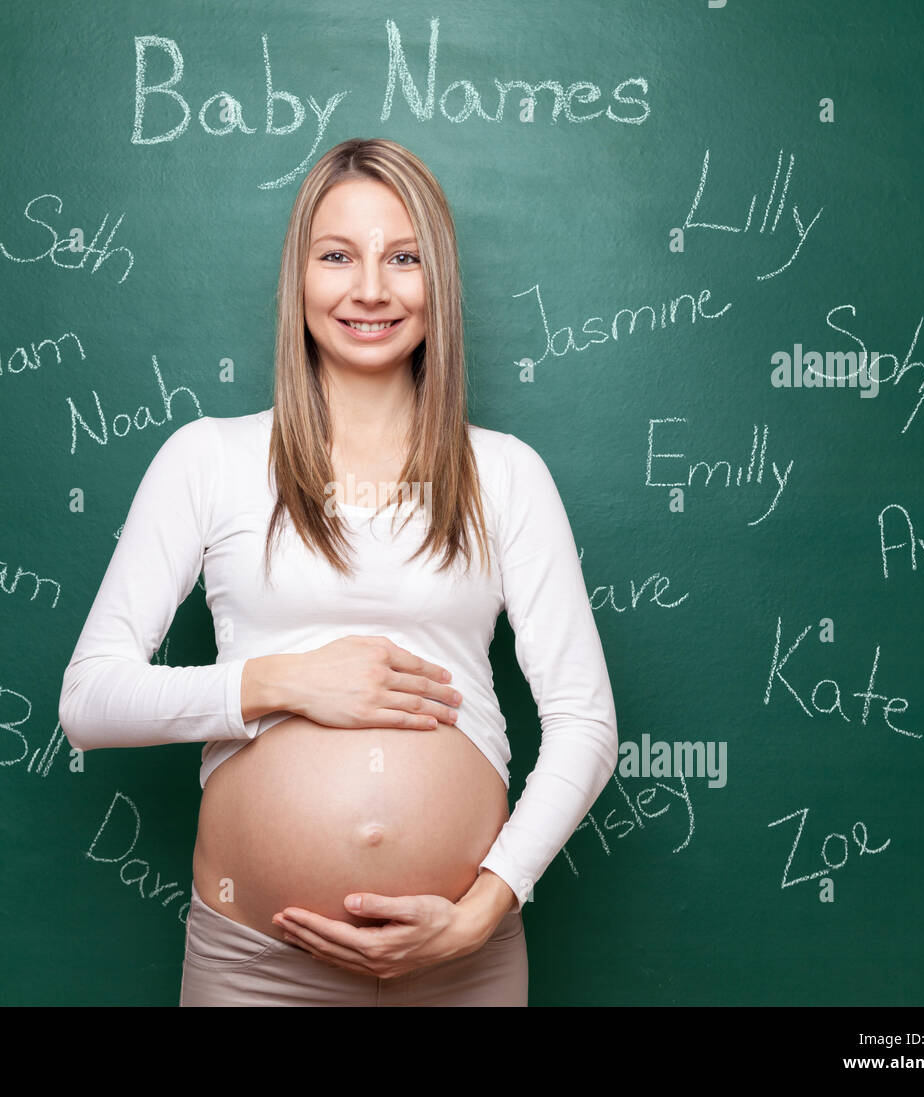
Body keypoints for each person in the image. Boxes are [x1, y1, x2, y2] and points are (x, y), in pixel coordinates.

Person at [58, 137, 617, 1006]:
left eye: (403, 257)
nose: (370, 289)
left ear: (439, 280)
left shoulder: (505, 473)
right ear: (300, 277)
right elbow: (89, 701)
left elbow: (584, 722)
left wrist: (480, 910)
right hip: (254, 967)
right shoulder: (208, 459)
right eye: (337, 256)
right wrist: (284, 682)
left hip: (461, 964)